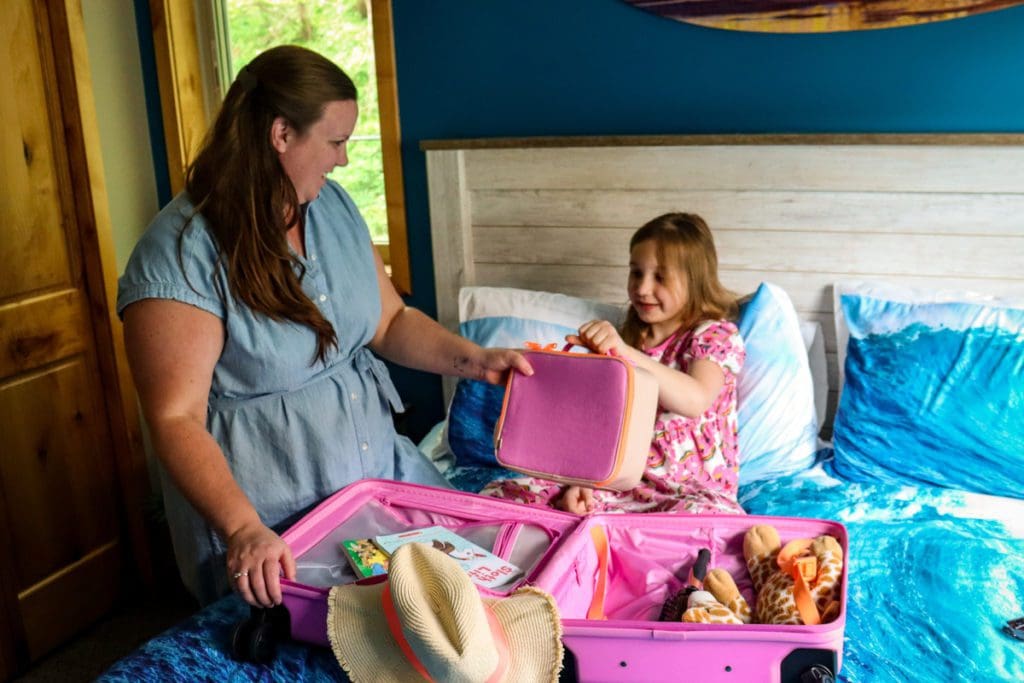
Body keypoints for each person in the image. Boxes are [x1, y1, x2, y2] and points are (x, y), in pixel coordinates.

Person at [117, 45, 531, 608]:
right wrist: (243, 530)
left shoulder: (332, 206)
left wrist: (476, 361)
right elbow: (175, 418)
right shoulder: (181, 252)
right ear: (281, 134)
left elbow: (391, 321)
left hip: (380, 484)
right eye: (335, 142)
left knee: (499, 593)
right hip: (275, 526)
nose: (341, 160)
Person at [481, 212, 745, 516]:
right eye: (636, 273)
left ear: (695, 280)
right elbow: (599, 426)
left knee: (709, 519)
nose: (643, 288)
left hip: (688, 491)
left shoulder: (714, 335)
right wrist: (584, 482)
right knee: (505, 495)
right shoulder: (628, 338)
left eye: (660, 277)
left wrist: (623, 353)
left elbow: (695, 399)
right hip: (619, 484)